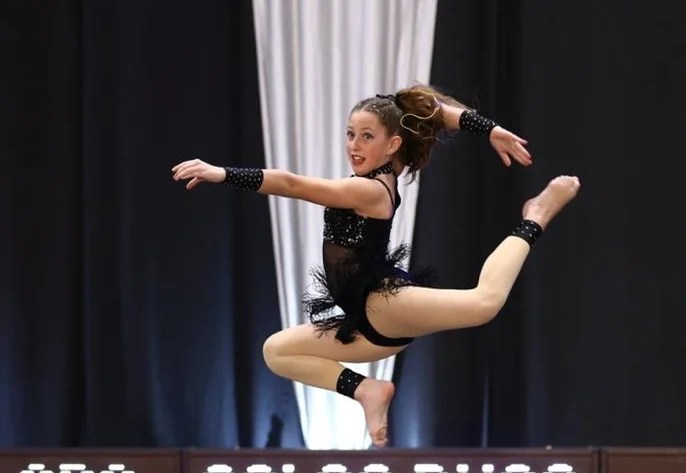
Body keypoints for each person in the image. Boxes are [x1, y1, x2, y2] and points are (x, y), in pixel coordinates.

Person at [172, 84, 580, 448]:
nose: (354, 145)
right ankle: (366, 389)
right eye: (350, 134)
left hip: (383, 304)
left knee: (484, 302)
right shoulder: (385, 169)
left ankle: (536, 216)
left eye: (367, 136)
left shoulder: (369, 190)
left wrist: (222, 173)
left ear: (391, 145)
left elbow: (292, 184)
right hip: (364, 323)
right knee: (276, 351)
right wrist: (487, 129)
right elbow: (430, 111)